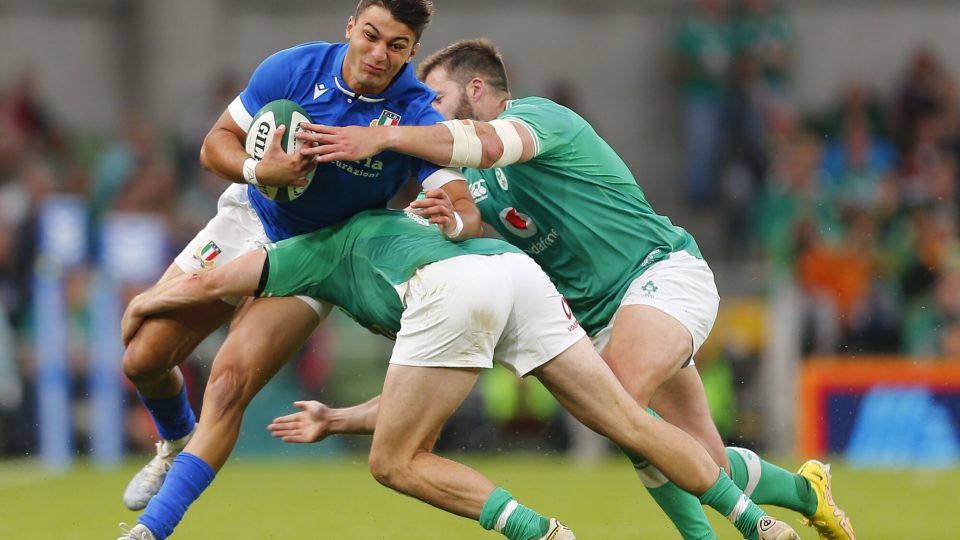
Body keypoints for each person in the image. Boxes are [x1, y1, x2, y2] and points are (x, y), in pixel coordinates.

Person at [296, 38, 855, 540]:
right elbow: (472, 222)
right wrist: (453, 223)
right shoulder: (472, 184)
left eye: (436, 101)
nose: (429, 114)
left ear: (476, 89)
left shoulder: (539, 119)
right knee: (697, 455)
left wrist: (387, 134)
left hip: (659, 273)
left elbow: (488, 146)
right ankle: (808, 494)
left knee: (620, 405)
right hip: (602, 316)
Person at [120, 208, 801, 540]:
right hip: (513, 274)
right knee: (627, 417)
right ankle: (755, 525)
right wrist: (337, 419)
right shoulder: (395, 221)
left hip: (454, 292)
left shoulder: (309, 249)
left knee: (393, 464)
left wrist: (148, 300)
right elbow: (423, 381)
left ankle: (543, 534)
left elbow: (223, 276)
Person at [117, 2, 482, 539]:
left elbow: (462, 205)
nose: (380, 54)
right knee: (143, 357)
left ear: (412, 51)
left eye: (397, 45)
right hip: (250, 219)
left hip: (317, 255)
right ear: (351, 27)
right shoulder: (294, 69)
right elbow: (214, 142)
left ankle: (150, 531)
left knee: (228, 383)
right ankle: (175, 442)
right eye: (372, 36)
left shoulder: (417, 112)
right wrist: (256, 168)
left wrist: (453, 221)